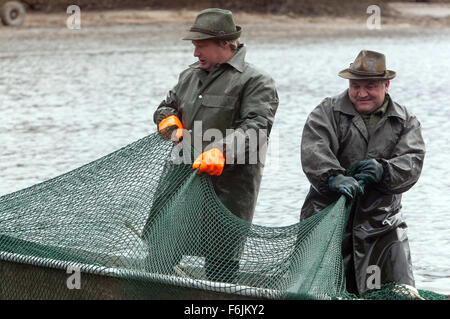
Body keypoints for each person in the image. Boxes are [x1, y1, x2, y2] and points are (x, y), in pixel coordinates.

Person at [151, 8, 279, 282]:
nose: (195, 54)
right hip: (181, 180)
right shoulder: (189, 76)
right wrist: (171, 127)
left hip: (229, 188)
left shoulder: (256, 81)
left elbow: (256, 128)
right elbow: (165, 108)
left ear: (225, 44)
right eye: (195, 47)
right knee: (160, 252)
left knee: (221, 263)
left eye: (201, 46)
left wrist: (220, 151)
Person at [300, 50, 425, 295]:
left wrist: (384, 170)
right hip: (327, 221)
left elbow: (413, 162)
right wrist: (332, 177)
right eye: (355, 86)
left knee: (395, 292)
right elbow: (313, 150)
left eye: (370, 86)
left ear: (386, 85)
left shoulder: (405, 120)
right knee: (324, 292)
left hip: (383, 226)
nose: (361, 93)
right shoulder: (326, 112)